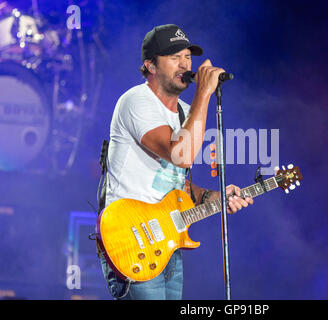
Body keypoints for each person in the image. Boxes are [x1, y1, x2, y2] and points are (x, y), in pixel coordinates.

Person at [98, 24, 254, 300]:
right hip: (132, 240)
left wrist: (213, 196)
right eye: (174, 57)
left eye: (187, 57)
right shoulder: (136, 101)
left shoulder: (185, 111)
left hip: (166, 241)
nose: (185, 64)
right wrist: (204, 93)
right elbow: (181, 156)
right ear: (151, 65)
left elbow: (175, 180)